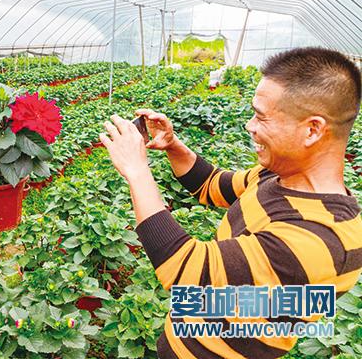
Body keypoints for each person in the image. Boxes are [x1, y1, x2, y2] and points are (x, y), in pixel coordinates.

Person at [100, 47, 362, 358]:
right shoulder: (277, 177)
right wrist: (173, 146)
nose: (250, 126)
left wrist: (137, 170)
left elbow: (187, 272)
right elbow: (211, 184)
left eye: (261, 116)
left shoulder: (321, 239)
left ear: (312, 129)